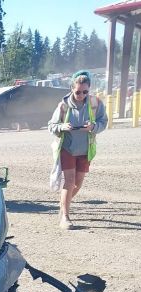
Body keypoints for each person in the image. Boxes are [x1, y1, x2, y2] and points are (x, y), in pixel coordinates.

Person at [47, 70, 108, 230]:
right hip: (67, 148)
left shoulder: (95, 103)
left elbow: (103, 121)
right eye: (78, 91)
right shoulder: (63, 106)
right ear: (71, 89)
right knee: (69, 181)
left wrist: (93, 127)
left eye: (85, 91)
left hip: (86, 149)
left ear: (89, 89)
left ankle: (62, 206)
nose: (81, 94)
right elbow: (51, 126)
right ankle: (65, 217)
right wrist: (62, 126)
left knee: (78, 184)